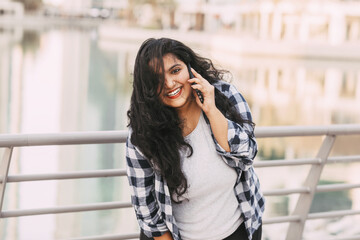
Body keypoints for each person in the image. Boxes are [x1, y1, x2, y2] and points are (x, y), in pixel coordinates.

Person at [126, 37, 265, 240]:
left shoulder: (225, 95)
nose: (169, 83)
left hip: (238, 231)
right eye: (156, 79)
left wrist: (211, 109)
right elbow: (146, 208)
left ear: (190, 68)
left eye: (175, 71)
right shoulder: (142, 132)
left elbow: (248, 154)